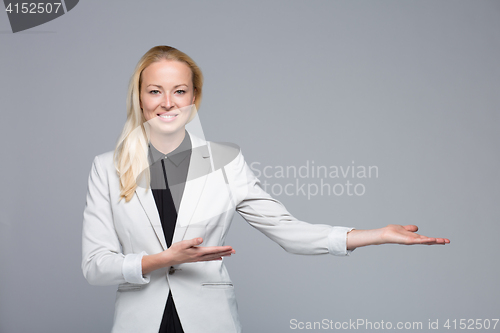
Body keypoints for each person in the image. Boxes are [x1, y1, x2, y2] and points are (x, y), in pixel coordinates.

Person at [81, 45, 450, 333]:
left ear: (194, 98)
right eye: (155, 91)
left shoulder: (226, 163)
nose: (167, 103)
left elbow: (289, 232)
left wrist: (377, 235)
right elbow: (95, 266)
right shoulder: (106, 167)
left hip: (209, 321)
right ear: (140, 98)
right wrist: (161, 260)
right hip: (139, 321)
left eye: (179, 91)